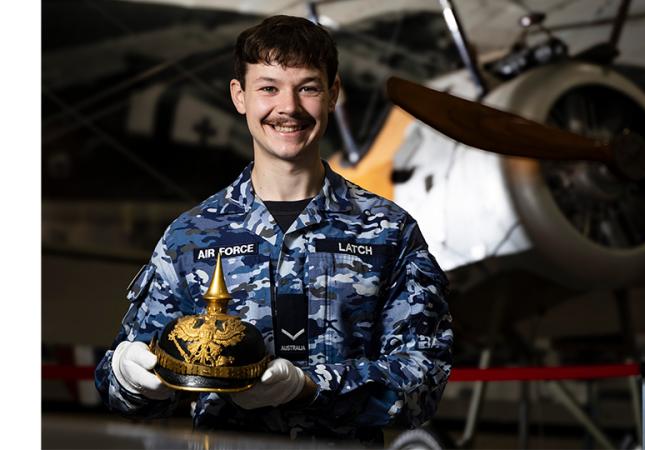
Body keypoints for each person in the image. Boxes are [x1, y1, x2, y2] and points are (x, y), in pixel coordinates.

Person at [93, 14, 453, 446]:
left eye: (308, 88)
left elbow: (424, 382)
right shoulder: (188, 236)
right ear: (239, 96)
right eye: (268, 88)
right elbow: (125, 389)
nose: (289, 108)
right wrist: (127, 375)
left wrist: (310, 387)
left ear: (333, 94)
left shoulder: (389, 232)